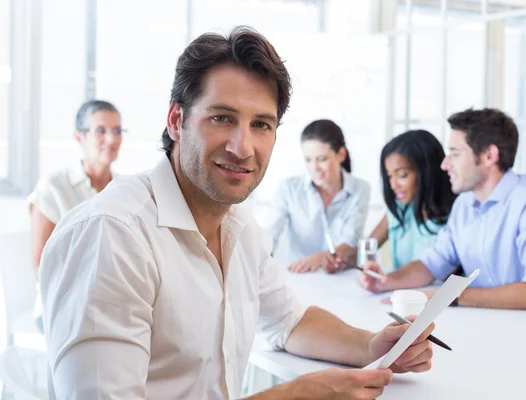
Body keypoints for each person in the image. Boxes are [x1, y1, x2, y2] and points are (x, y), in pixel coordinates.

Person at [39, 27, 434, 399]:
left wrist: (371, 345)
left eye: (261, 124)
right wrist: (294, 394)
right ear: (177, 120)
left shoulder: (239, 226)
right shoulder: (113, 234)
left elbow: (289, 322)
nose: (242, 147)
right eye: (222, 118)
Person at [359, 108, 526, 313]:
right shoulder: (464, 204)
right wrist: (386, 281)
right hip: (503, 327)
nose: (445, 164)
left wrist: (453, 296)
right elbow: (432, 264)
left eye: (455, 153)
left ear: (489, 156)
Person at [28, 99, 123, 331]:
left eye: (117, 131)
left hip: (113, 305)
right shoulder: (54, 186)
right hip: (63, 307)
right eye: (100, 131)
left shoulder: (124, 189)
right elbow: (42, 267)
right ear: (79, 137)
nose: (111, 139)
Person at [268, 119, 370, 273]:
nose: (314, 168)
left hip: (341, 277)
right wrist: (259, 265)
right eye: (308, 159)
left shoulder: (360, 189)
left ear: (341, 154)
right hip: (298, 275)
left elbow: (351, 240)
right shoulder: (289, 189)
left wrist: (322, 257)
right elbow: (271, 235)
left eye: (321, 159)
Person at [358, 130, 455, 271]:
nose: (393, 185)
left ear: (427, 172)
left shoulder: (456, 216)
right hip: (401, 291)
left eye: (402, 175)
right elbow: (366, 247)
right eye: (389, 176)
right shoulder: (399, 209)